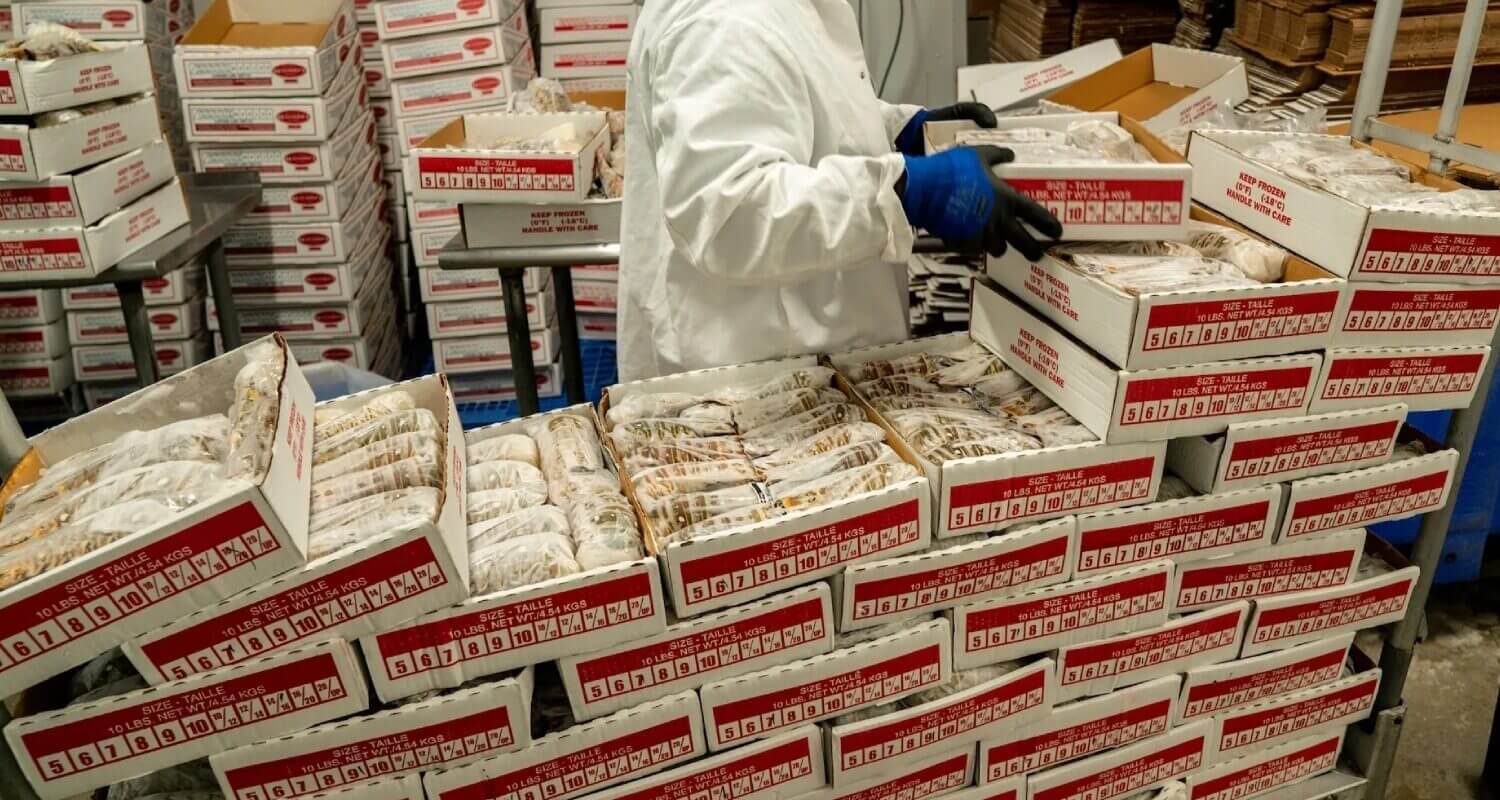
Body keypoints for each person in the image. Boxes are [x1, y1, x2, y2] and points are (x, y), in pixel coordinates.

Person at [618, 0, 1063, 381]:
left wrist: (896, 130)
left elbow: (788, 100)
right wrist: (903, 190)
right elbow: (732, 213)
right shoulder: (723, 21)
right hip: (763, 377)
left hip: (811, 359)